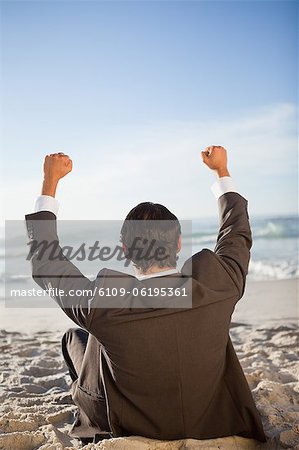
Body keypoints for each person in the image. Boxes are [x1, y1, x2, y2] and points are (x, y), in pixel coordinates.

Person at [25, 146, 266, 445]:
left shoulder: (106, 303)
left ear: (125, 250)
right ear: (178, 244)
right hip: (212, 421)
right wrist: (221, 171)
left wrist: (50, 182)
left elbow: (46, 264)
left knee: (77, 336)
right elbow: (236, 232)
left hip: (128, 426)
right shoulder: (220, 284)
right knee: (90, 333)